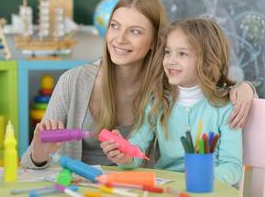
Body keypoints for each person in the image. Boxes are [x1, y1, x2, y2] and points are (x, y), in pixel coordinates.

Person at [21, 0, 254, 169]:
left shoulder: (168, 86)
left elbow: (209, 84)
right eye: (114, 26)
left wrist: (245, 89)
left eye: (134, 31)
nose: (119, 39)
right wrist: (39, 154)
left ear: (155, 41)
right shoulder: (74, 81)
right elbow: (29, 162)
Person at [101, 18, 244, 186]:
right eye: (168, 52)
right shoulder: (158, 102)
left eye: (182, 53)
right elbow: (137, 146)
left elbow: (232, 167)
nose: (170, 60)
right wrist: (125, 155)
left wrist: (202, 178)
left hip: (210, 188)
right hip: (169, 188)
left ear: (207, 61)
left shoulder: (226, 107)